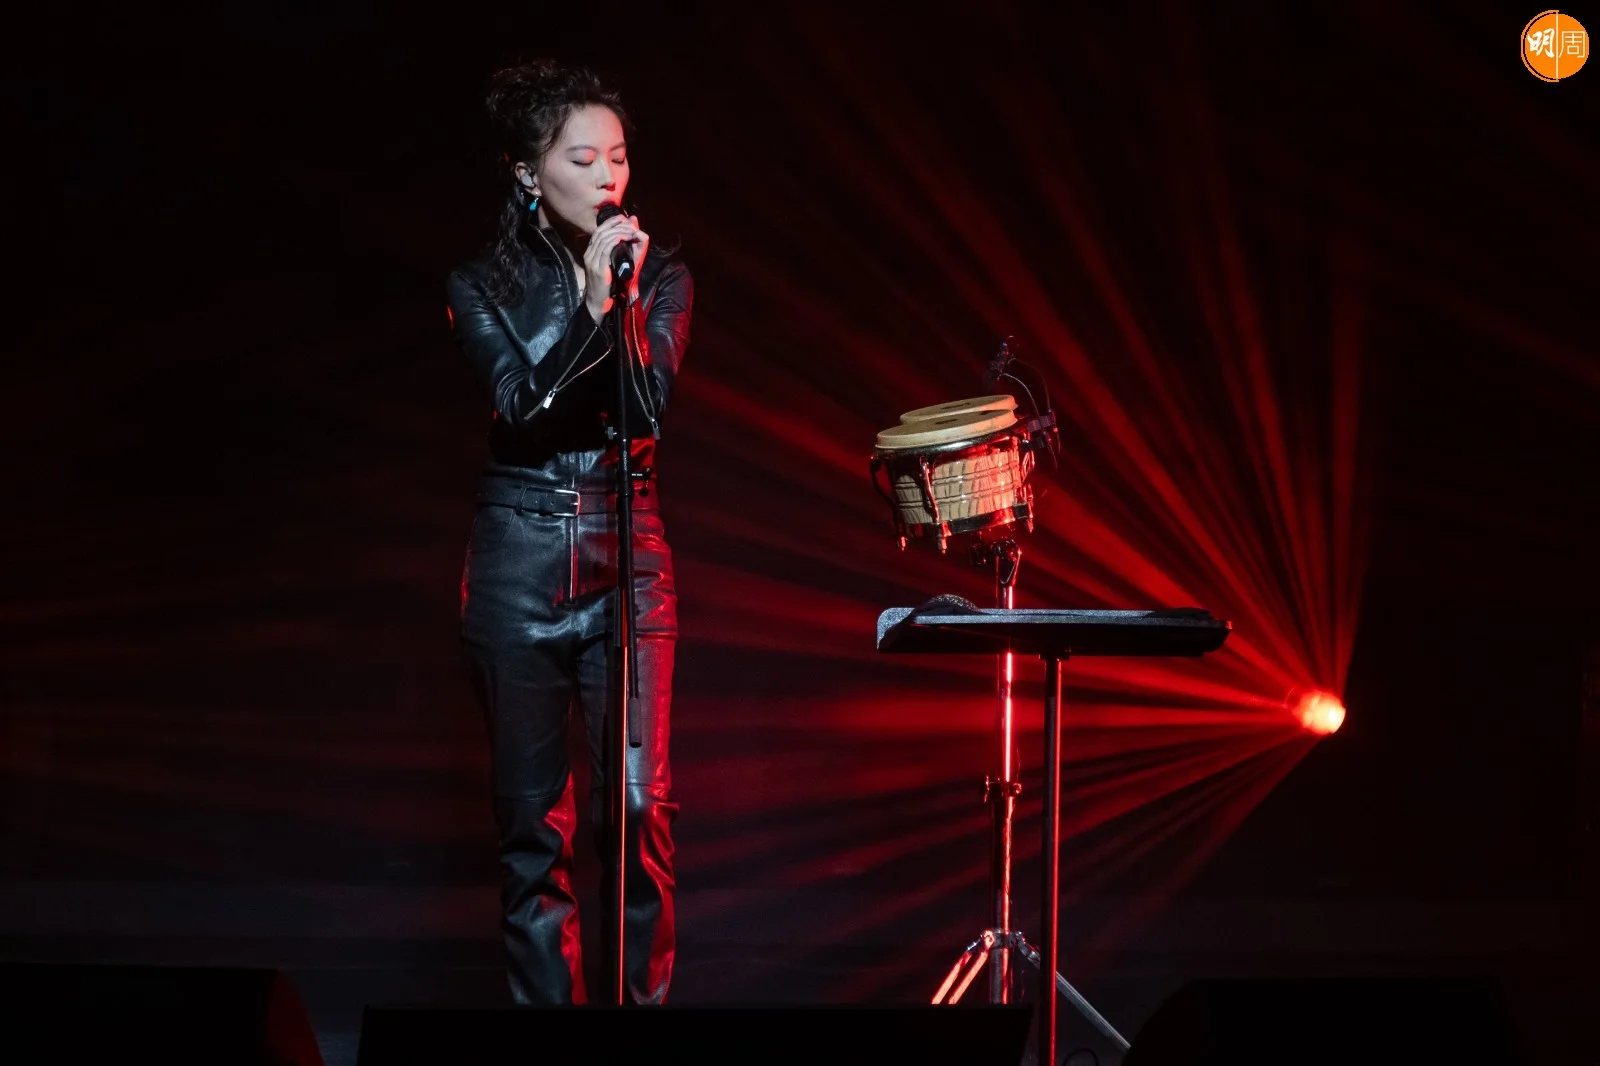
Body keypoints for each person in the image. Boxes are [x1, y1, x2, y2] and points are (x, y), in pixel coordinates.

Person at [445, 59, 691, 1006]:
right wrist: (589, 306)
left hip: (630, 558)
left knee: (639, 811)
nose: (607, 178)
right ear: (528, 173)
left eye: (617, 158)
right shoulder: (479, 284)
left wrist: (618, 298)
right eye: (582, 160)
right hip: (519, 557)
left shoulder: (662, 277)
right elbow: (523, 412)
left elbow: (644, 409)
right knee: (532, 830)